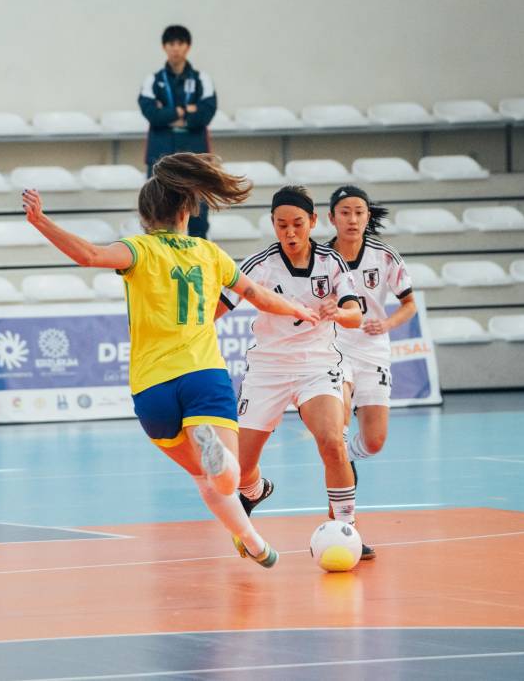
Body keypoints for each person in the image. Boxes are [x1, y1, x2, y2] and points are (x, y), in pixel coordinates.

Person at [22, 153, 319, 567]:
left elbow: (88, 255)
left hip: (151, 387)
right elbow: (256, 295)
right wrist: (297, 309)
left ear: (146, 215)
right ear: (187, 210)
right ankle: (222, 464)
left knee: (202, 477)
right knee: (223, 476)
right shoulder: (208, 253)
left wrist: (41, 222)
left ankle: (253, 543)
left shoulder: (139, 251)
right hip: (203, 375)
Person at [215, 185, 369, 558]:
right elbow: (219, 306)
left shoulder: (332, 262)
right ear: (273, 224)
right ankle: (255, 491)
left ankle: (346, 526)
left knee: (333, 442)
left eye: (298, 223)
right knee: (239, 467)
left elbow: (355, 314)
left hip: (317, 365)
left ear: (313, 222)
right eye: (281, 224)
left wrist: (339, 313)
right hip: (267, 369)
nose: (290, 232)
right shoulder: (259, 265)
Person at [325, 186, 416, 558]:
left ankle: (343, 458)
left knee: (374, 441)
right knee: (336, 432)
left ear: (366, 217)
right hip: (332, 351)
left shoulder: (384, 256)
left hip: (373, 352)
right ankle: (344, 529)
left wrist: (388, 323)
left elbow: (408, 304)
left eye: (359, 212)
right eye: (344, 212)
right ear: (331, 217)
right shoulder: (320, 257)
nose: (352, 219)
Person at [138, 25, 217, 239]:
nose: (176, 48)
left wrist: (168, 113)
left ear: (188, 46)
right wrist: (184, 110)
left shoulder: (202, 80)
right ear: (164, 47)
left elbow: (206, 113)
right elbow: (151, 113)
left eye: (180, 43)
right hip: (161, 153)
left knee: (198, 215)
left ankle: (200, 262)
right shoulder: (153, 80)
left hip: (194, 156)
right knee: (156, 212)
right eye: (171, 43)